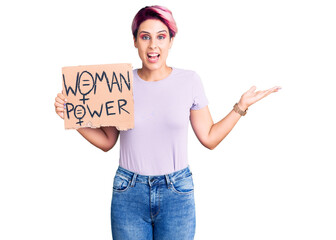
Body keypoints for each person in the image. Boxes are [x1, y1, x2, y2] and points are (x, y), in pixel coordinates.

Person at [54, 5, 281, 240]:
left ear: (171, 40)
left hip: (176, 192)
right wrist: (73, 117)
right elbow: (107, 141)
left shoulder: (189, 81)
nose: (153, 45)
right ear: (135, 41)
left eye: (161, 37)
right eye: (145, 37)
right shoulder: (120, 84)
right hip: (128, 192)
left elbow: (209, 138)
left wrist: (240, 107)